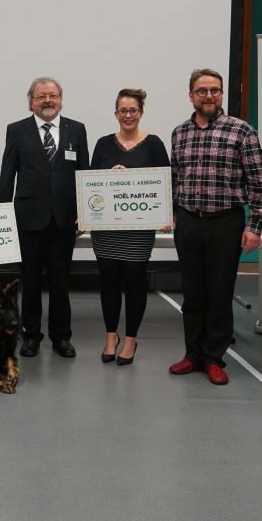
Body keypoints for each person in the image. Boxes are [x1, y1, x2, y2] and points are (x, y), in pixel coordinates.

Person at [168, 69, 262, 385]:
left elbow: (258, 183)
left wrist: (254, 226)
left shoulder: (242, 132)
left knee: (220, 293)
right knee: (193, 294)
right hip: (188, 223)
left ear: (222, 94)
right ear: (191, 96)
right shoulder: (179, 133)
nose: (208, 95)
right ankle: (192, 354)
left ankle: (214, 358)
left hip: (225, 223)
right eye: (202, 90)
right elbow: (175, 178)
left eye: (215, 90)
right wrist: (172, 213)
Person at [0, 77, 88, 358]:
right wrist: (4, 214)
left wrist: (85, 214)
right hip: (28, 218)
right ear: (31, 102)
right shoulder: (16, 130)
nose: (47, 101)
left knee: (61, 282)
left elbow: (83, 174)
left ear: (61, 99)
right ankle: (31, 336)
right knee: (32, 279)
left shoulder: (77, 129)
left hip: (64, 220)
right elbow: (7, 173)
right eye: (41, 97)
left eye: (53, 95)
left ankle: (62, 337)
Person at [90, 89, 171, 366]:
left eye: (133, 110)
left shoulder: (154, 144)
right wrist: (107, 177)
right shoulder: (102, 144)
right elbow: (90, 184)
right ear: (116, 114)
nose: (127, 115)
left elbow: (165, 184)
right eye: (122, 110)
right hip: (106, 231)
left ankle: (131, 339)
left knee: (135, 282)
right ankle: (111, 336)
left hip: (138, 231)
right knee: (109, 282)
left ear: (141, 113)